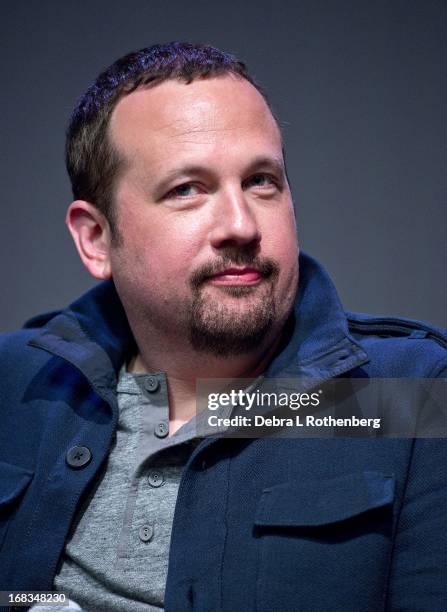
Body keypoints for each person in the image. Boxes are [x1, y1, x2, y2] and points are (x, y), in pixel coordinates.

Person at [0, 42, 446, 612]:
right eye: (187, 189)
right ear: (96, 238)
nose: (240, 225)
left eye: (262, 181)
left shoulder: (419, 394)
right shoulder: (15, 383)